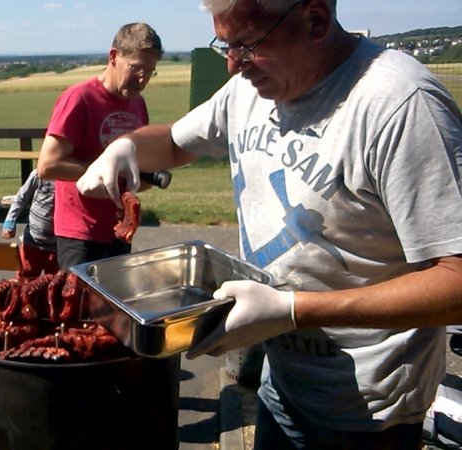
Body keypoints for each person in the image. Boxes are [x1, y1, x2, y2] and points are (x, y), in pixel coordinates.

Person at [75, 1, 462, 449]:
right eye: (225, 44)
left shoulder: (400, 106)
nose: (233, 65)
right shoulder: (249, 88)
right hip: (280, 387)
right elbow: (175, 143)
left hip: (367, 414)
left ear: (314, 19)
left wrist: (294, 310)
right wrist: (126, 147)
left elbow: (454, 281)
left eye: (247, 44)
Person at [36, 22, 163, 270]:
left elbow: (138, 167)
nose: (142, 79)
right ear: (114, 57)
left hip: (119, 229)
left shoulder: (138, 105)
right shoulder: (80, 98)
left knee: (113, 307)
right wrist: (109, 171)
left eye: (150, 71)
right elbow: (47, 166)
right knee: (80, 307)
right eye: (136, 68)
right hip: (80, 233)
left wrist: (145, 175)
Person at [1, 169, 58, 278]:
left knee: (56, 287)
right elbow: (21, 198)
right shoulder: (40, 173)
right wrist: (9, 222)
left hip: (58, 247)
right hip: (32, 242)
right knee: (23, 283)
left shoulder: (70, 177)